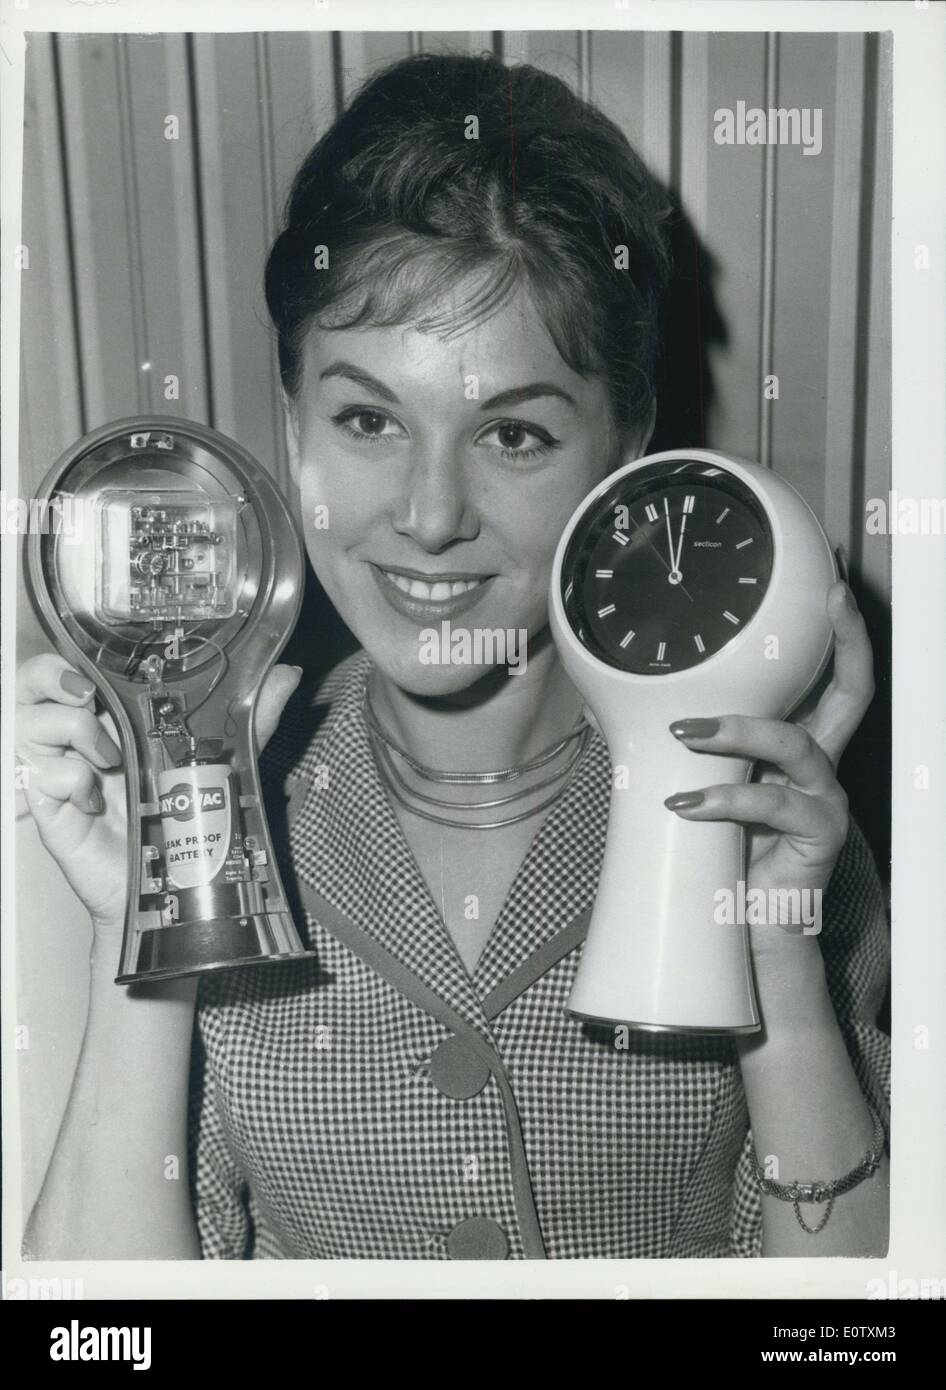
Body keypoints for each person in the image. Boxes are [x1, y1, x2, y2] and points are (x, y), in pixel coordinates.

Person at [18, 52, 889, 1261]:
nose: (429, 515)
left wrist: (777, 959)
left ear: (624, 450)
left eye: (515, 433)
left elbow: (843, 1329)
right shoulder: (219, 805)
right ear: (292, 423)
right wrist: (146, 932)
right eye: (368, 419)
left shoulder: (761, 811)